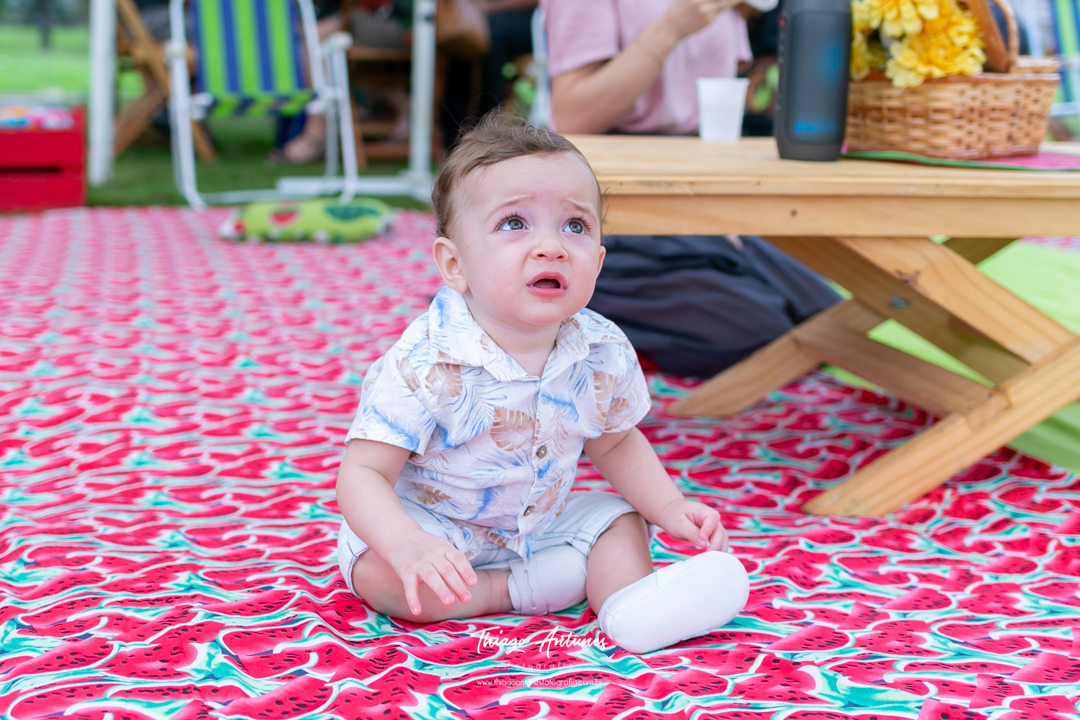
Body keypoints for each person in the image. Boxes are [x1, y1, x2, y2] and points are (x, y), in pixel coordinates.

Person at [336, 113, 749, 654]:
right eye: (515, 224)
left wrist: (668, 508)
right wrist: (407, 542)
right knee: (380, 574)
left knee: (620, 524)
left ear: (597, 263)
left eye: (574, 227)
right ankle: (508, 591)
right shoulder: (425, 362)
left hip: (541, 527)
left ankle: (632, 605)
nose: (552, 246)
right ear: (454, 264)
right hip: (437, 527)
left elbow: (617, 441)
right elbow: (362, 473)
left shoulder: (601, 349)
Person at [540, 0, 842, 379]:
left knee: (827, 313)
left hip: (700, 180)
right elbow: (572, 115)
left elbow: (726, 86)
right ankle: (566, 312)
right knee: (764, 329)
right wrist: (671, 27)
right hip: (613, 202)